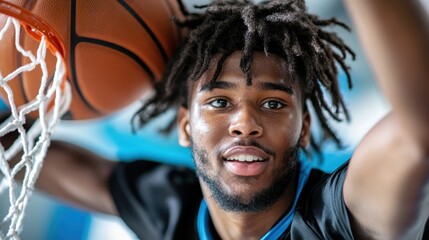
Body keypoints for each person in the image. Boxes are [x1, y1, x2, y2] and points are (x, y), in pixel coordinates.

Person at [4, 0, 429, 239]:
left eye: (275, 104)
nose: (245, 122)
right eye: (220, 103)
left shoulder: (339, 218)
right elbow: (25, 151)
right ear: (186, 127)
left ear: (304, 131)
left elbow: (418, 133)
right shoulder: (172, 209)